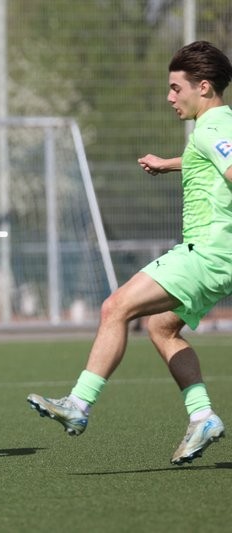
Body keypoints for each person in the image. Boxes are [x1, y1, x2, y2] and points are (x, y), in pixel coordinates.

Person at [27, 40, 231, 465]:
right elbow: (211, 160)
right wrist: (169, 163)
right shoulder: (220, 125)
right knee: (162, 327)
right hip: (219, 256)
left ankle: (79, 406)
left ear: (205, 87)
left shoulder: (211, 127)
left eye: (177, 88)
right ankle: (203, 415)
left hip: (207, 251)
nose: (169, 97)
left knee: (115, 307)